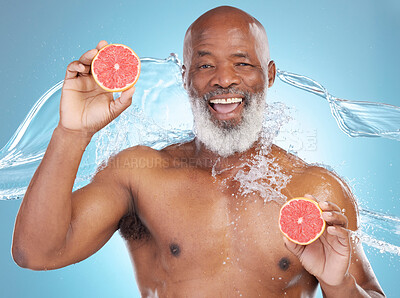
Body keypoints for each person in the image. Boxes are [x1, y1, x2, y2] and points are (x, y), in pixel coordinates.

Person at [12, 5, 385, 297]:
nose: (224, 79)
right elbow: (37, 253)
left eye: (242, 63)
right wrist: (72, 134)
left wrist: (339, 285)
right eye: (205, 64)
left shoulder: (317, 192)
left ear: (269, 75)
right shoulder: (139, 175)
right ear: (185, 77)